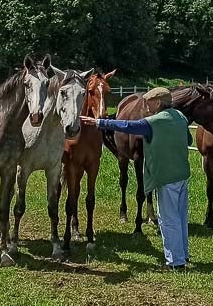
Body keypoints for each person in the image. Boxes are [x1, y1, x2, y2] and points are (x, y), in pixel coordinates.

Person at [81, 87, 192, 270]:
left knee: (168, 219)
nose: (146, 106)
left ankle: (175, 262)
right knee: (180, 217)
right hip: (182, 174)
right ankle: (183, 254)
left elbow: (127, 126)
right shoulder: (180, 117)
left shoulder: (154, 121)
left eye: (148, 102)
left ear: (158, 103)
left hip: (166, 176)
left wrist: (99, 122)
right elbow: (188, 140)